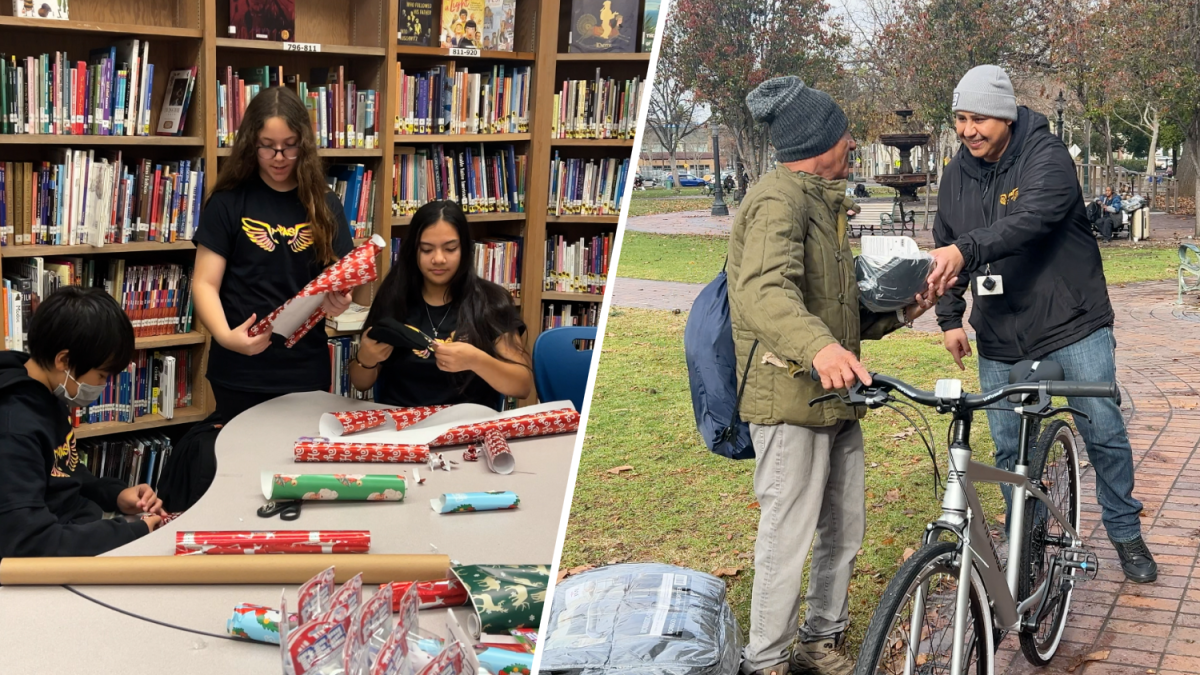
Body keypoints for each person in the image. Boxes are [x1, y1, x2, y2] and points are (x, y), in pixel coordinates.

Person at [728, 76, 932, 675]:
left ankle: (821, 642)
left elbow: (835, 318)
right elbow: (763, 292)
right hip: (790, 399)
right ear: (818, 142)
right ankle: (765, 661)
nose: (850, 145)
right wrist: (819, 350)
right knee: (788, 536)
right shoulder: (777, 200)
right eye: (844, 136)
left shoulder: (822, 202)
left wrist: (900, 312)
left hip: (836, 398)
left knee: (843, 530)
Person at [926, 65, 1157, 583]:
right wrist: (949, 317)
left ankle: (1124, 531)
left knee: (1104, 431)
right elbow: (947, 239)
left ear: (1006, 115)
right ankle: (1025, 547)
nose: (968, 130)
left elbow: (1029, 220)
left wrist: (965, 250)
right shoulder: (956, 172)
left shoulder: (1047, 157)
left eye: (979, 118)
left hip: (1072, 323)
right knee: (1010, 451)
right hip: (1001, 333)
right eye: (961, 118)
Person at [193, 86, 354, 424]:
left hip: (304, 372)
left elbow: (343, 281)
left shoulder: (325, 205)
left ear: (304, 144)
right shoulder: (228, 201)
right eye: (267, 147)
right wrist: (225, 337)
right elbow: (205, 283)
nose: (279, 157)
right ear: (252, 143)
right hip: (239, 369)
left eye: (289, 146)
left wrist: (341, 299)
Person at [0, 287, 165, 558]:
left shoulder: (47, 392)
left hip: (78, 526)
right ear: (63, 361)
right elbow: (28, 541)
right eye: (102, 375)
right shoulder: (13, 429)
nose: (103, 385)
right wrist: (130, 532)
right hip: (50, 556)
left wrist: (116, 495)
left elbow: (68, 475)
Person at [348, 200, 532, 409]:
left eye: (450, 249)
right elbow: (360, 383)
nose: (438, 259)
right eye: (426, 250)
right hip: (403, 427)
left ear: (465, 249)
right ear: (413, 251)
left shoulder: (490, 301)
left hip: (468, 428)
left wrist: (476, 360)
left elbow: (522, 385)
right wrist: (366, 359)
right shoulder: (394, 296)